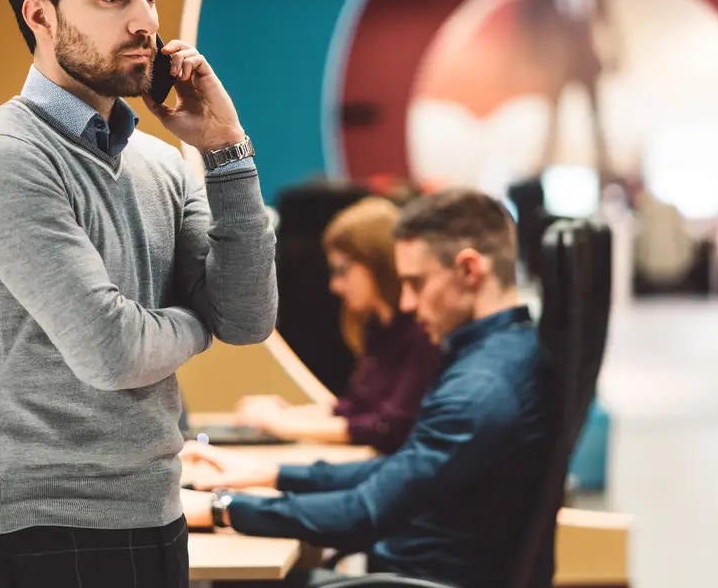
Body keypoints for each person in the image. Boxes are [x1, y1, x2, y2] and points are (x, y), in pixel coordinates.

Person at [0, 0, 278, 588]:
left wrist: (227, 154)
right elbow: (113, 351)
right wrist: (193, 322)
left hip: (155, 515)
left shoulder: (157, 161)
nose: (145, 22)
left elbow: (246, 319)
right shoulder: (3, 159)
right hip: (44, 533)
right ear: (41, 15)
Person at [179, 188, 553, 587]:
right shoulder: (504, 353)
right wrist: (270, 473)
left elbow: (365, 512)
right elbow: (400, 470)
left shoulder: (480, 389)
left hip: (415, 577)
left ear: (469, 270)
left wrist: (220, 508)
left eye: (416, 283)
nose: (406, 303)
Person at [235, 196, 442, 453]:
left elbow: (388, 428)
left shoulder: (422, 332)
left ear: (375, 261)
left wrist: (281, 424)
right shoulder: (377, 328)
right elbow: (353, 408)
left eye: (343, 270)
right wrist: (287, 413)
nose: (336, 286)